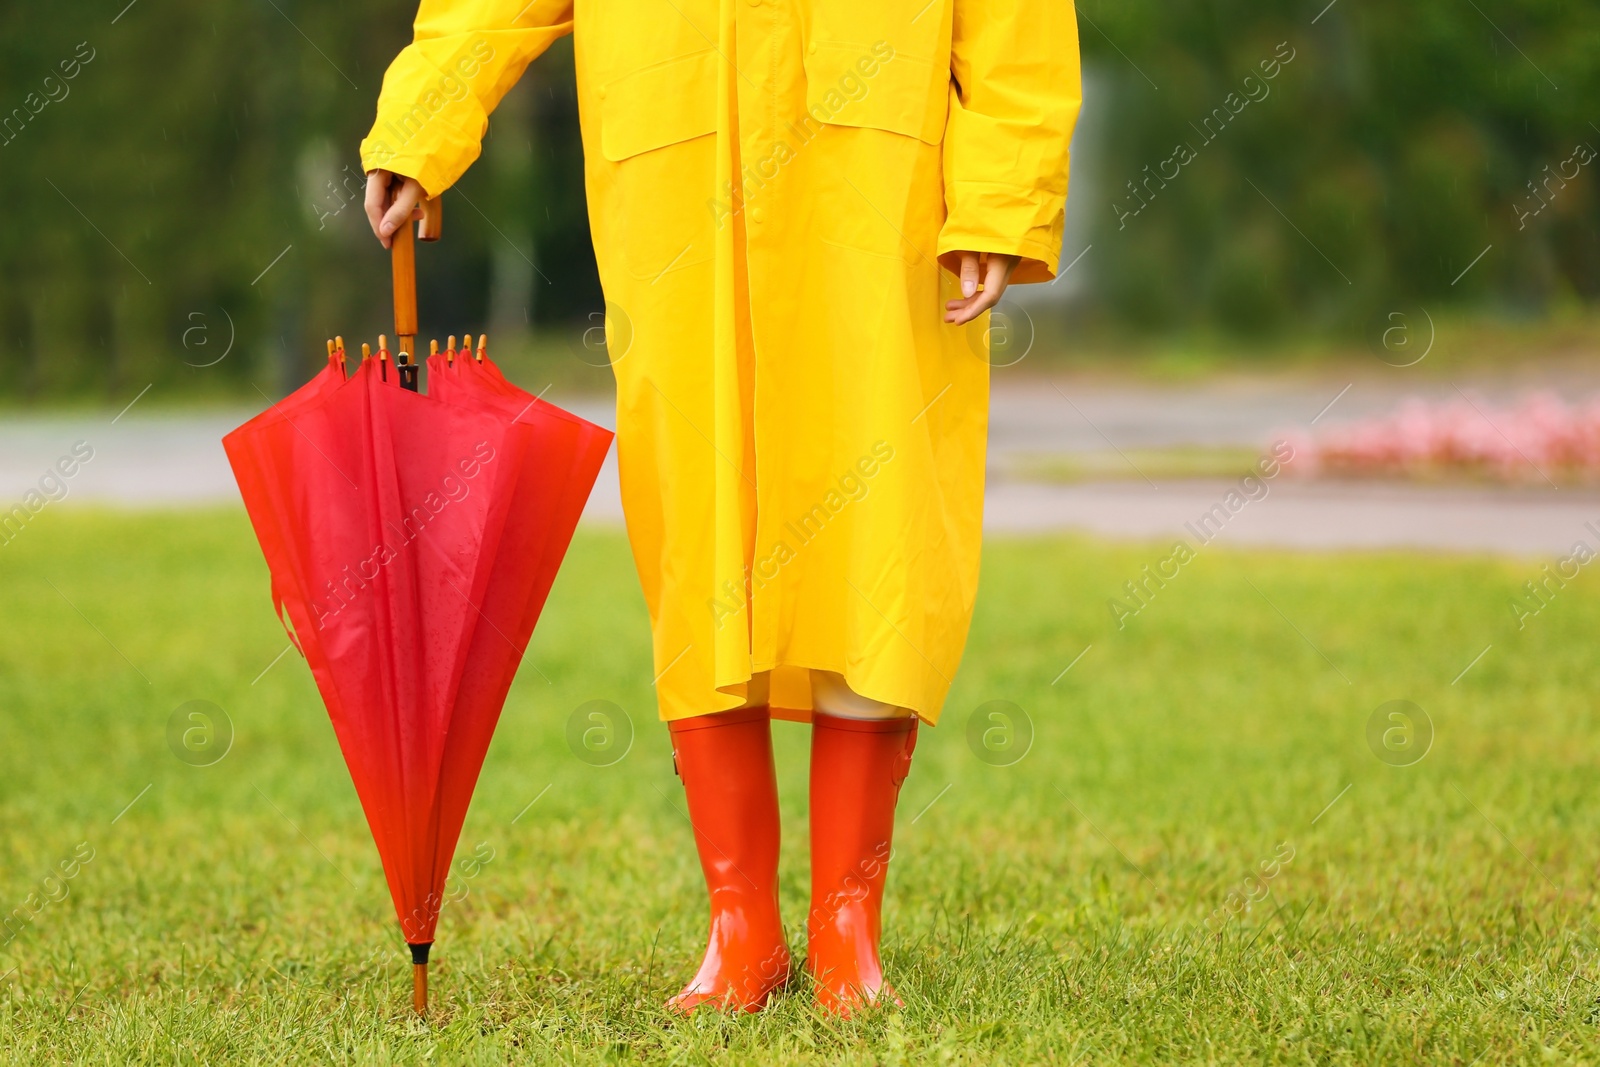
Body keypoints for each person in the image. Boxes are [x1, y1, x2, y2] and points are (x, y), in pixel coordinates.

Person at [363, 0, 1080, 1015]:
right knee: (699, 542)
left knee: (877, 544)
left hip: (878, 207)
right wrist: (420, 128)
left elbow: (1019, 36)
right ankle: (739, 927)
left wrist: (1001, 204)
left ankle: (846, 930)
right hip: (676, 194)